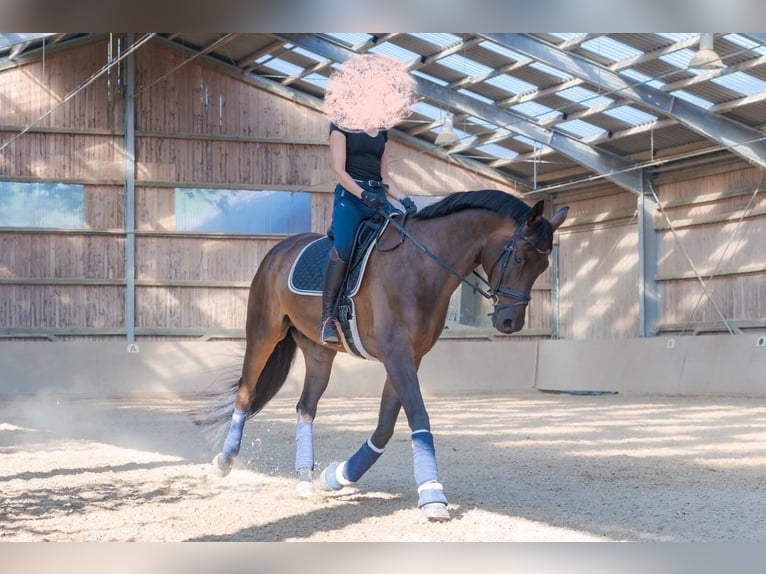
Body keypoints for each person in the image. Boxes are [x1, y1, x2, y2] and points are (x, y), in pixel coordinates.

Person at [319, 122, 418, 344]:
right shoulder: (340, 127)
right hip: (351, 199)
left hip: (378, 199)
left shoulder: (382, 132)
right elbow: (339, 171)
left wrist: (404, 199)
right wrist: (363, 195)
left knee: (403, 238)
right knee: (343, 247)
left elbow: (385, 177)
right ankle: (327, 318)